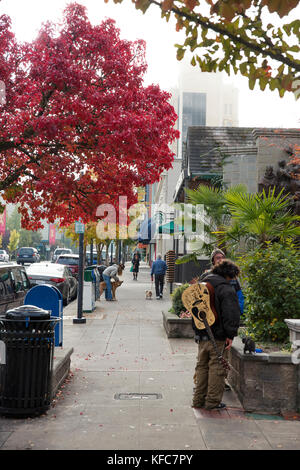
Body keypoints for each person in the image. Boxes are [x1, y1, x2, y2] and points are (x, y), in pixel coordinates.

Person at [192, 259, 241, 410]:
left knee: (202, 367)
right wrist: (230, 335)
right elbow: (231, 313)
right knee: (217, 368)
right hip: (218, 336)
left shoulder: (202, 284)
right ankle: (212, 402)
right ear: (229, 275)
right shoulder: (225, 288)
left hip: (202, 334)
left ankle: (198, 400)